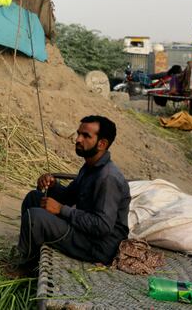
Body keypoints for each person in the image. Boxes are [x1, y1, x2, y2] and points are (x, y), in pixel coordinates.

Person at [8, 115, 130, 277]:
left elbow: (102, 226)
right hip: (86, 232)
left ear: (102, 144)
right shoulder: (90, 166)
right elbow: (69, 196)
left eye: (86, 136)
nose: (78, 139)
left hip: (99, 246)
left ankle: (27, 269)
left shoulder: (107, 178)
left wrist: (60, 209)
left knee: (35, 217)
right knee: (34, 198)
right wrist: (52, 186)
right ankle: (31, 254)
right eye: (79, 133)